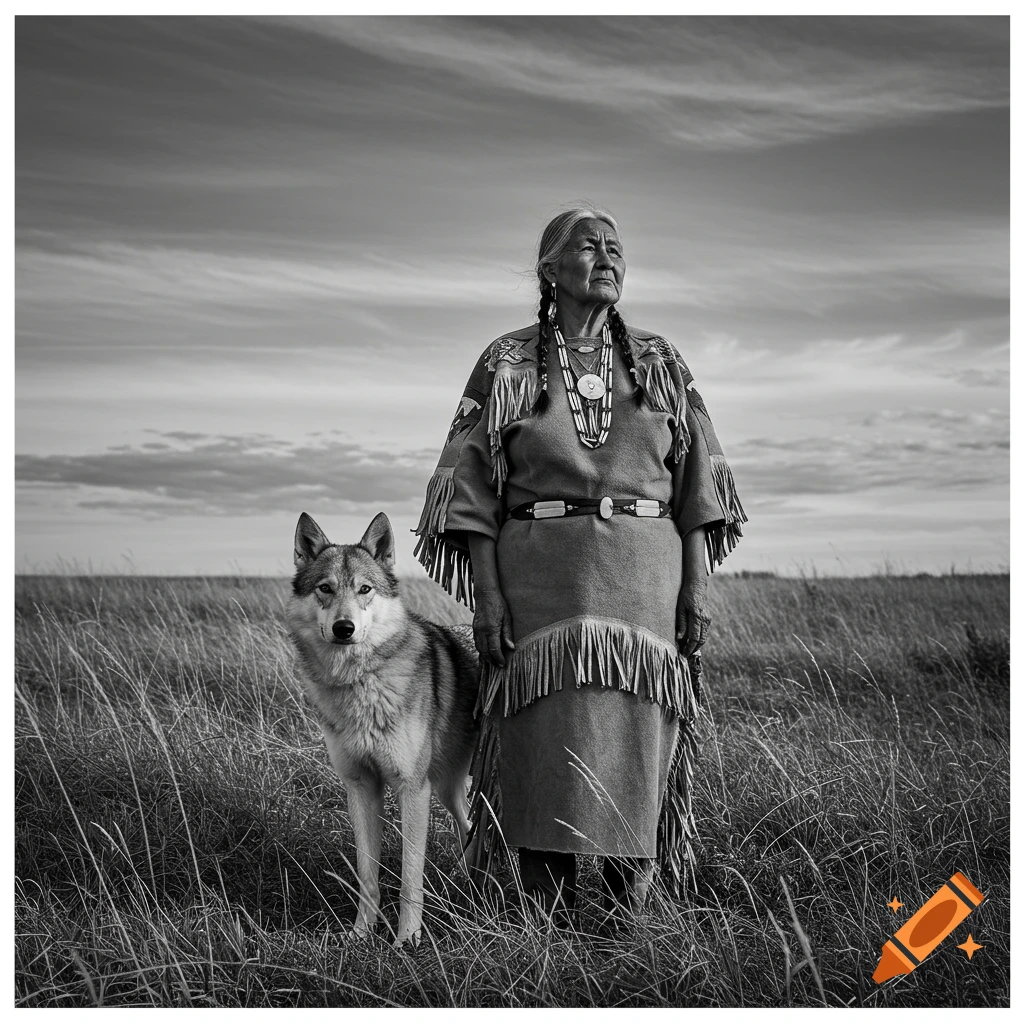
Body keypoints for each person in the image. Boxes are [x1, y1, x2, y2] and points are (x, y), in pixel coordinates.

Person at [412, 204, 747, 928]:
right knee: (542, 751)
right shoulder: (507, 360)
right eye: (589, 247)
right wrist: (488, 601)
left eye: (616, 248)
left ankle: (628, 921)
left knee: (637, 751)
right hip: (539, 590)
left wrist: (699, 584)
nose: (607, 257)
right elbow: (468, 490)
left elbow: (700, 485)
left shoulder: (659, 361)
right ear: (549, 270)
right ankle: (546, 924)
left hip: (647, 591)